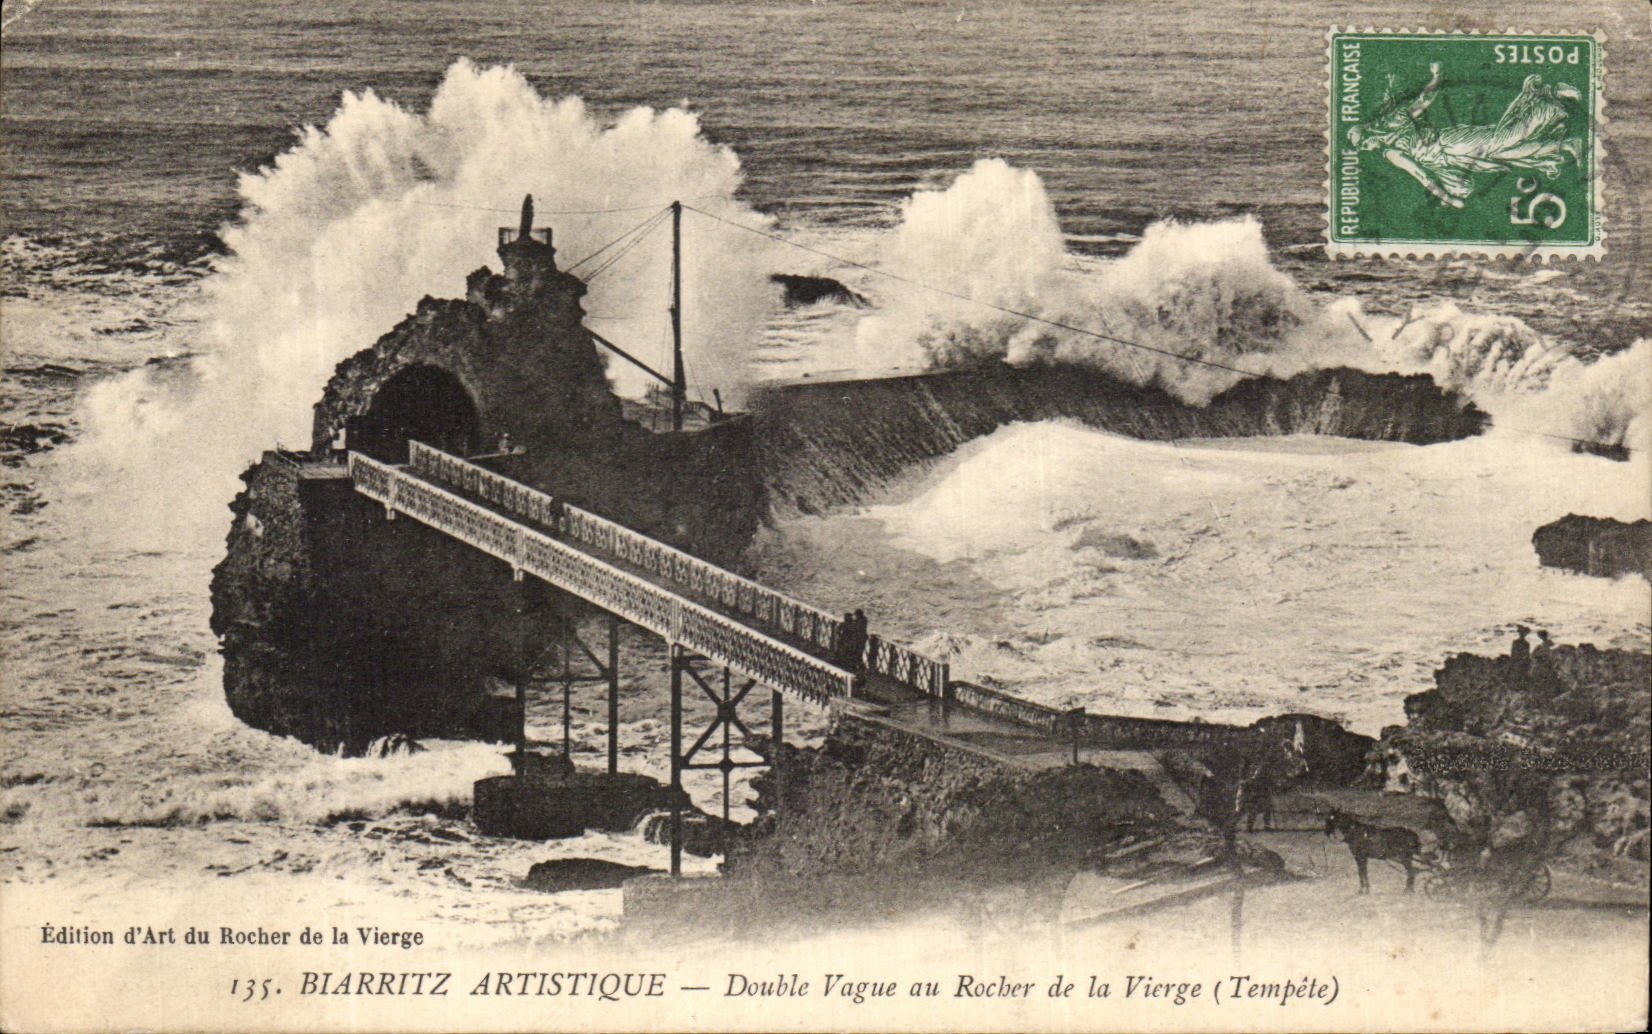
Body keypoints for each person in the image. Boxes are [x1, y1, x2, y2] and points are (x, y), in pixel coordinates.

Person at [1347, 63, 1583, 209]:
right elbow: (1425, 172)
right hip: (1449, 161)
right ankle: (1564, 143)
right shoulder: (1388, 147)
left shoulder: (1393, 140)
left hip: (1451, 144)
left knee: (1501, 142)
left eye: (1364, 142)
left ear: (1370, 132)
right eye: (1363, 148)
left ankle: (1549, 97)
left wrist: (1436, 77)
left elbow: (1421, 175)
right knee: (1504, 153)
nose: (1367, 148)